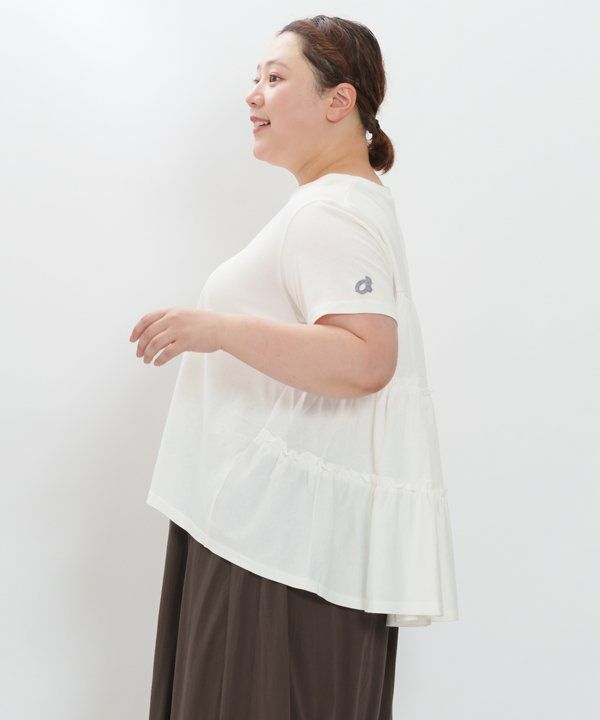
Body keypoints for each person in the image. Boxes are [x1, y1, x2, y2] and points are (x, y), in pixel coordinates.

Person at [131, 14, 459, 720]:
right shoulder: (337, 203)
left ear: (339, 101)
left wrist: (216, 329)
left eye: (276, 78)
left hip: (275, 548)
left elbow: (367, 358)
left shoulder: (332, 212)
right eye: (255, 78)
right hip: (275, 538)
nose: (253, 94)